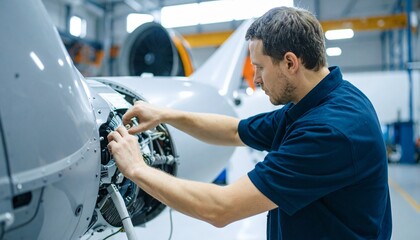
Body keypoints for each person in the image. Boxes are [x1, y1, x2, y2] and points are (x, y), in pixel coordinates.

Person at [107, 6, 392, 240]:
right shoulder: (319, 100)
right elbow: (235, 130)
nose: (255, 79)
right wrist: (165, 114)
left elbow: (221, 208)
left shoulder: (328, 132)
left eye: (260, 68)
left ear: (290, 63)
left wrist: (136, 168)